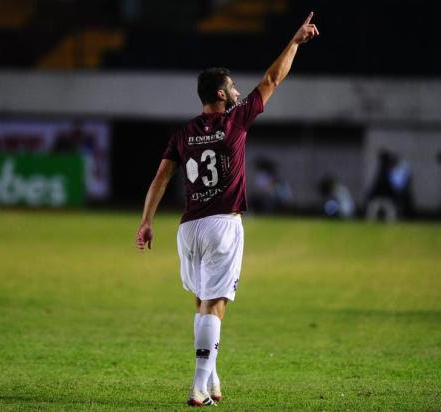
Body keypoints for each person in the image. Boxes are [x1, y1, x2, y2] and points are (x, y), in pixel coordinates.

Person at [135, 12, 319, 407]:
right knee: (214, 305)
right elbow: (272, 79)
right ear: (219, 94)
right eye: (231, 87)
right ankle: (199, 386)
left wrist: (146, 222)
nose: (237, 91)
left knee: (203, 303)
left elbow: (160, 180)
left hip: (189, 229)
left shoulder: (182, 133)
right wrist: (294, 42)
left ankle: (212, 378)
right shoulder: (235, 120)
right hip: (223, 225)